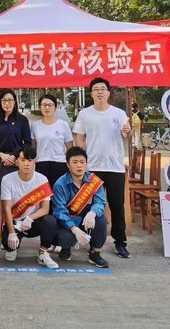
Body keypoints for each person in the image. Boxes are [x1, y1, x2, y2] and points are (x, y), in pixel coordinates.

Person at [73, 77, 132, 258]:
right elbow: (79, 138)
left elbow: (126, 133)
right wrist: (80, 162)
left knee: (117, 206)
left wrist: (127, 131)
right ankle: (91, 241)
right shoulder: (85, 114)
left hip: (115, 168)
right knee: (89, 206)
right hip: (92, 168)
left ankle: (120, 243)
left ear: (108, 92)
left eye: (103, 89)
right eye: (96, 89)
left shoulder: (119, 113)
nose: (100, 92)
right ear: (91, 93)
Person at [1, 145, 59, 268]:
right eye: (23, 160)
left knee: (50, 221)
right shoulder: (7, 179)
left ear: (34, 162)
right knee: (9, 247)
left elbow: (45, 209)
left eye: (30, 160)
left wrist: (30, 218)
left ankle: (43, 253)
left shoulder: (42, 179)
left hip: (33, 222)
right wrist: (11, 232)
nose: (27, 164)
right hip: (15, 223)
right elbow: (6, 208)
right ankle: (13, 247)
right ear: (16, 162)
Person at [52, 146, 109, 268]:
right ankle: (65, 248)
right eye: (75, 162)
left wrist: (92, 213)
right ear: (68, 165)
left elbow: (100, 202)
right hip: (68, 222)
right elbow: (59, 211)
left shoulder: (94, 181)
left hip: (88, 220)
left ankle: (94, 253)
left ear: (86, 163)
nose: (79, 166)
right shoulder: (60, 184)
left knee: (101, 220)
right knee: (66, 238)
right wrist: (74, 228)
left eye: (82, 162)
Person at [0, 89, 31, 190]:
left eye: (10, 100)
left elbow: (27, 142)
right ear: (0, 102)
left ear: (15, 102)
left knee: (17, 190)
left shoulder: (22, 120)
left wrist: (14, 156)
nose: (7, 103)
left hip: (17, 160)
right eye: (4, 100)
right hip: (0, 160)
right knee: (1, 189)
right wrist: (1, 155)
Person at [31, 94, 74, 188]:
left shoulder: (63, 125)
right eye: (44, 105)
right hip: (41, 163)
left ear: (55, 107)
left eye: (50, 105)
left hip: (59, 163)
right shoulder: (35, 126)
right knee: (43, 193)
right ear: (40, 107)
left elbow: (70, 149)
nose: (47, 108)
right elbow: (33, 149)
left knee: (59, 192)